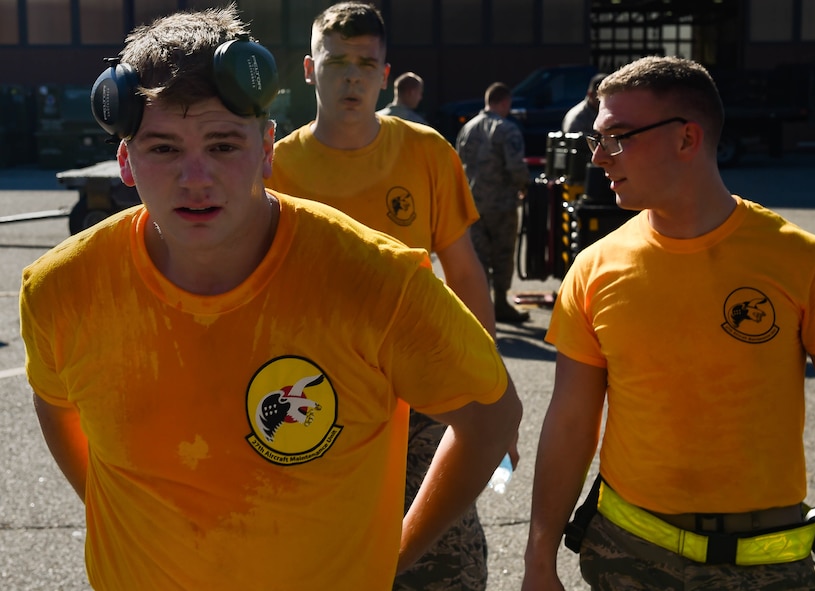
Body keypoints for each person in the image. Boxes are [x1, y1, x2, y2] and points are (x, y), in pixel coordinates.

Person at [19, 7, 522, 591]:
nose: (196, 178)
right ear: (125, 160)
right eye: (163, 149)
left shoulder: (377, 279)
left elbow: (491, 416)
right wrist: (121, 511)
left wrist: (397, 552)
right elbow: (55, 405)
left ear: (266, 149)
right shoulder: (62, 289)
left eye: (223, 145)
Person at [522, 55, 815, 591]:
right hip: (627, 562)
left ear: (687, 139)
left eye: (617, 136)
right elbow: (570, 423)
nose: (598, 157)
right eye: (596, 138)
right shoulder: (595, 267)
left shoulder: (801, 260)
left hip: (768, 568)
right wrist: (538, 560)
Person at [265, 3, 516, 590]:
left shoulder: (426, 152)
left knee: (444, 558)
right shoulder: (274, 167)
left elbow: (464, 271)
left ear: (384, 74)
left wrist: (488, 386)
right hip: (312, 391)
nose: (351, 77)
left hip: (419, 386)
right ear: (309, 68)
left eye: (365, 64)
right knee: (316, 554)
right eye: (336, 62)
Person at [456, 82, 532, 324]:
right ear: (505, 102)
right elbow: (515, 166)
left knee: (479, 257)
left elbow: (459, 164)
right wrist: (525, 185)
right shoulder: (507, 129)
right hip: (502, 205)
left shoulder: (467, 128)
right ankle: (500, 304)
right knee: (502, 255)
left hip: (474, 204)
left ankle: (480, 306)